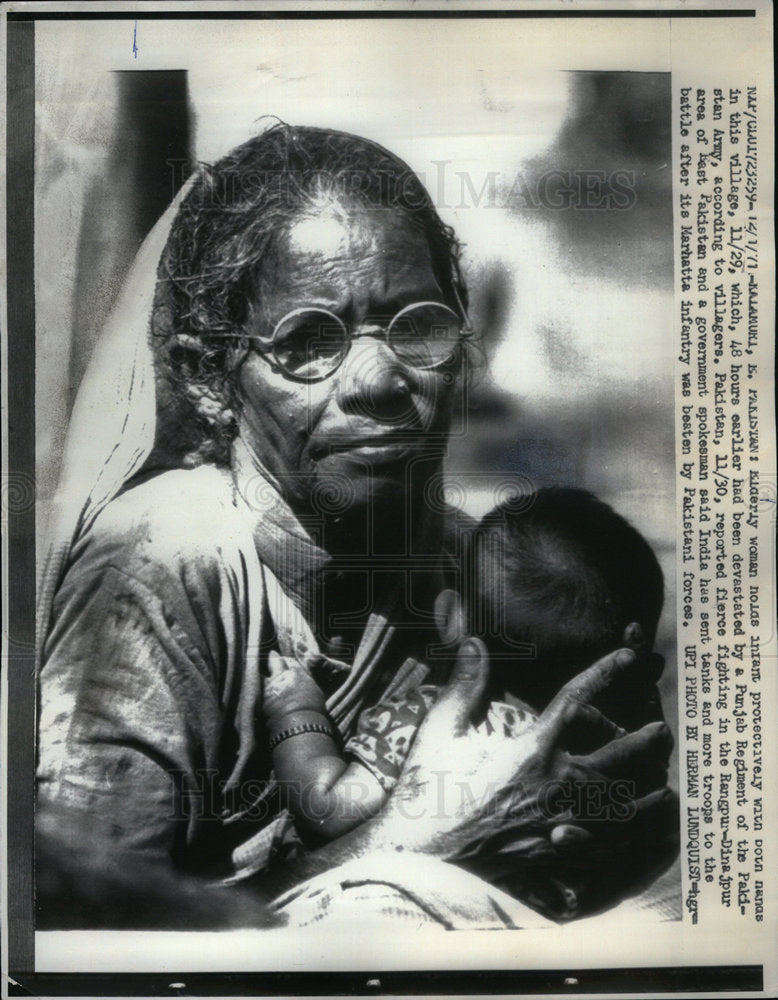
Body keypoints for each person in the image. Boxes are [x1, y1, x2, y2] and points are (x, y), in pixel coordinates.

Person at [36, 123, 677, 929]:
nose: (378, 379)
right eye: (309, 341)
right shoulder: (164, 569)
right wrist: (413, 841)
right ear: (207, 376)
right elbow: (85, 940)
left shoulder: (473, 566)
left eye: (417, 325)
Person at [260, 487, 668, 918]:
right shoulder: (606, 754)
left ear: (451, 617)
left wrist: (295, 710)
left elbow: (326, 809)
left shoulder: (426, 724)